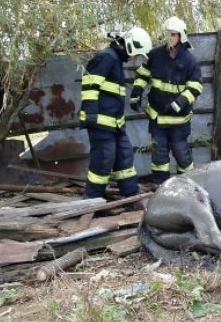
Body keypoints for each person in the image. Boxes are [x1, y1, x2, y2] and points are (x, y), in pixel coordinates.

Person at [130, 16, 203, 189]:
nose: (170, 37)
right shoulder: (155, 55)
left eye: (174, 34)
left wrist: (178, 103)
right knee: (159, 154)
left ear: (182, 36)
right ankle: (160, 186)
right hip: (157, 117)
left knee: (182, 154)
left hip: (179, 120)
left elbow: (196, 87)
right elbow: (142, 76)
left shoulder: (190, 61)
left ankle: (186, 186)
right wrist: (136, 94)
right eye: (168, 33)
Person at [80, 26, 152, 199]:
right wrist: (91, 115)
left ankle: (130, 192)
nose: (134, 58)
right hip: (101, 124)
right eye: (136, 54)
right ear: (130, 46)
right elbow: (90, 86)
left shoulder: (115, 61)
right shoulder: (106, 58)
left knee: (124, 157)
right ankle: (92, 199)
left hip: (116, 124)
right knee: (103, 160)